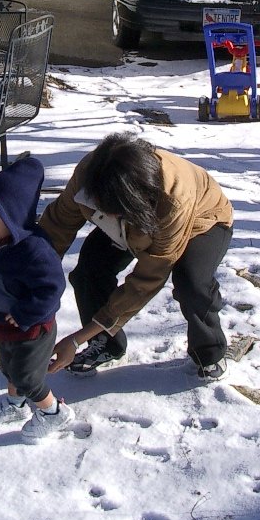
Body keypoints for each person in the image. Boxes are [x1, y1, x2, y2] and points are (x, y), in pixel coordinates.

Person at [41, 133, 234, 381]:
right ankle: (107, 345)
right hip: (132, 223)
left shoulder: (173, 198)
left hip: (204, 218)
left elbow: (146, 280)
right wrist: (35, 277)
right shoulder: (90, 173)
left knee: (192, 283)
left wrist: (77, 339)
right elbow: (58, 224)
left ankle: (209, 351)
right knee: (89, 271)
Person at [0, 156, 75, 442]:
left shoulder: (33, 249)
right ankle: (16, 405)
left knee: (27, 377)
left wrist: (25, 312)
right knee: (8, 367)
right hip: (6, 325)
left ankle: (54, 414)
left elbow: (52, 287)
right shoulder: (9, 241)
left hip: (31, 329)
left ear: (11, 215)